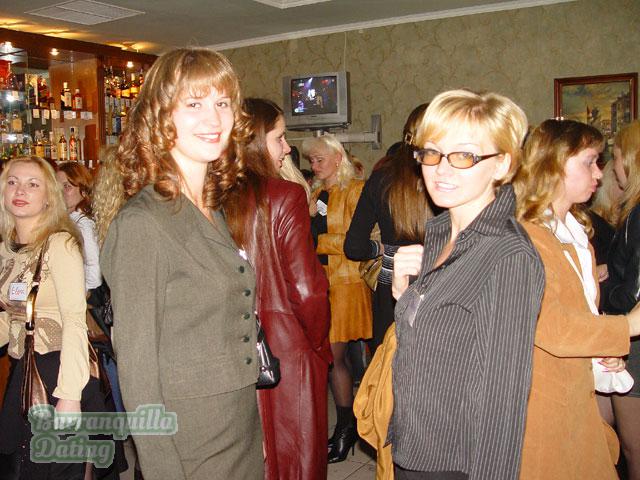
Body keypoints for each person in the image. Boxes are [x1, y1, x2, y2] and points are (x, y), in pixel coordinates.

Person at [99, 48, 263, 480]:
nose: (214, 119)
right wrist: (161, 467)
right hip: (188, 436)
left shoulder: (210, 208)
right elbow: (137, 370)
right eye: (194, 104)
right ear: (160, 115)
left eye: (222, 103)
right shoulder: (143, 223)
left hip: (236, 424)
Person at [390, 89, 545, 479]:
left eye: (464, 156)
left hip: (455, 462)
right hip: (415, 444)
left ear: (502, 164)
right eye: (432, 152)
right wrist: (406, 297)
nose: (441, 170)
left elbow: (502, 400)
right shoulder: (441, 234)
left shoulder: (507, 255)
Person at [513, 118, 640, 479]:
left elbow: (578, 310)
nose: (599, 173)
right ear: (553, 164)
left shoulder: (573, 230)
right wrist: (626, 326)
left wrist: (600, 348)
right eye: (589, 162)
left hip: (573, 391)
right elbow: (548, 324)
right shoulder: (529, 237)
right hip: (543, 397)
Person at [223, 97, 332, 480]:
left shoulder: (210, 196)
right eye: (279, 138)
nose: (287, 148)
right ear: (255, 141)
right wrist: (317, 345)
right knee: (296, 459)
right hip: (288, 344)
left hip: (233, 346)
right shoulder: (285, 195)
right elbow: (307, 289)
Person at [0, 156, 107, 479]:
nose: (20, 190)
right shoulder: (6, 249)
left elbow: (74, 319)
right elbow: (15, 318)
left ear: (49, 196)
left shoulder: (59, 243)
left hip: (59, 370)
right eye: (12, 182)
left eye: (33, 184)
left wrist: (69, 396)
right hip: (23, 369)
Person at [304, 134, 373, 463]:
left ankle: (346, 429)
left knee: (335, 357)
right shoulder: (316, 193)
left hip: (345, 284)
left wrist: (315, 241)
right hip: (321, 283)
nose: (314, 165)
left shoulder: (355, 190)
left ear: (337, 158)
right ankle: (345, 427)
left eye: (319, 160)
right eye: (312, 160)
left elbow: (353, 242)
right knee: (332, 359)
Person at [344, 103, 433, 354]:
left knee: (388, 367)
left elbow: (354, 247)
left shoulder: (381, 178)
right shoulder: (451, 179)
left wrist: (382, 248)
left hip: (391, 290)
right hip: (440, 283)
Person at [605, 119, 640, 480]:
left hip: (633, 344)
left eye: (614, 157)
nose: (611, 167)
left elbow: (634, 292)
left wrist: (600, 291)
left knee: (633, 448)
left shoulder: (639, 212)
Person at [55, 161, 101, 291]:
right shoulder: (68, 220)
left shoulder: (82, 224)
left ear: (83, 190)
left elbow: (95, 270)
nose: (61, 192)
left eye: (67, 186)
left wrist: (79, 293)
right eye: (57, 187)